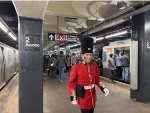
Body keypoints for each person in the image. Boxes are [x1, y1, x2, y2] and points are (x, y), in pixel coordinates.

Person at [68, 37, 109, 113]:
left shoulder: (94, 65)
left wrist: (103, 88)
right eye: (87, 54)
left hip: (92, 96)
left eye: (90, 54)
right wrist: (73, 96)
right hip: (83, 97)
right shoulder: (76, 67)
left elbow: (96, 79)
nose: (89, 57)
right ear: (82, 55)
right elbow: (71, 83)